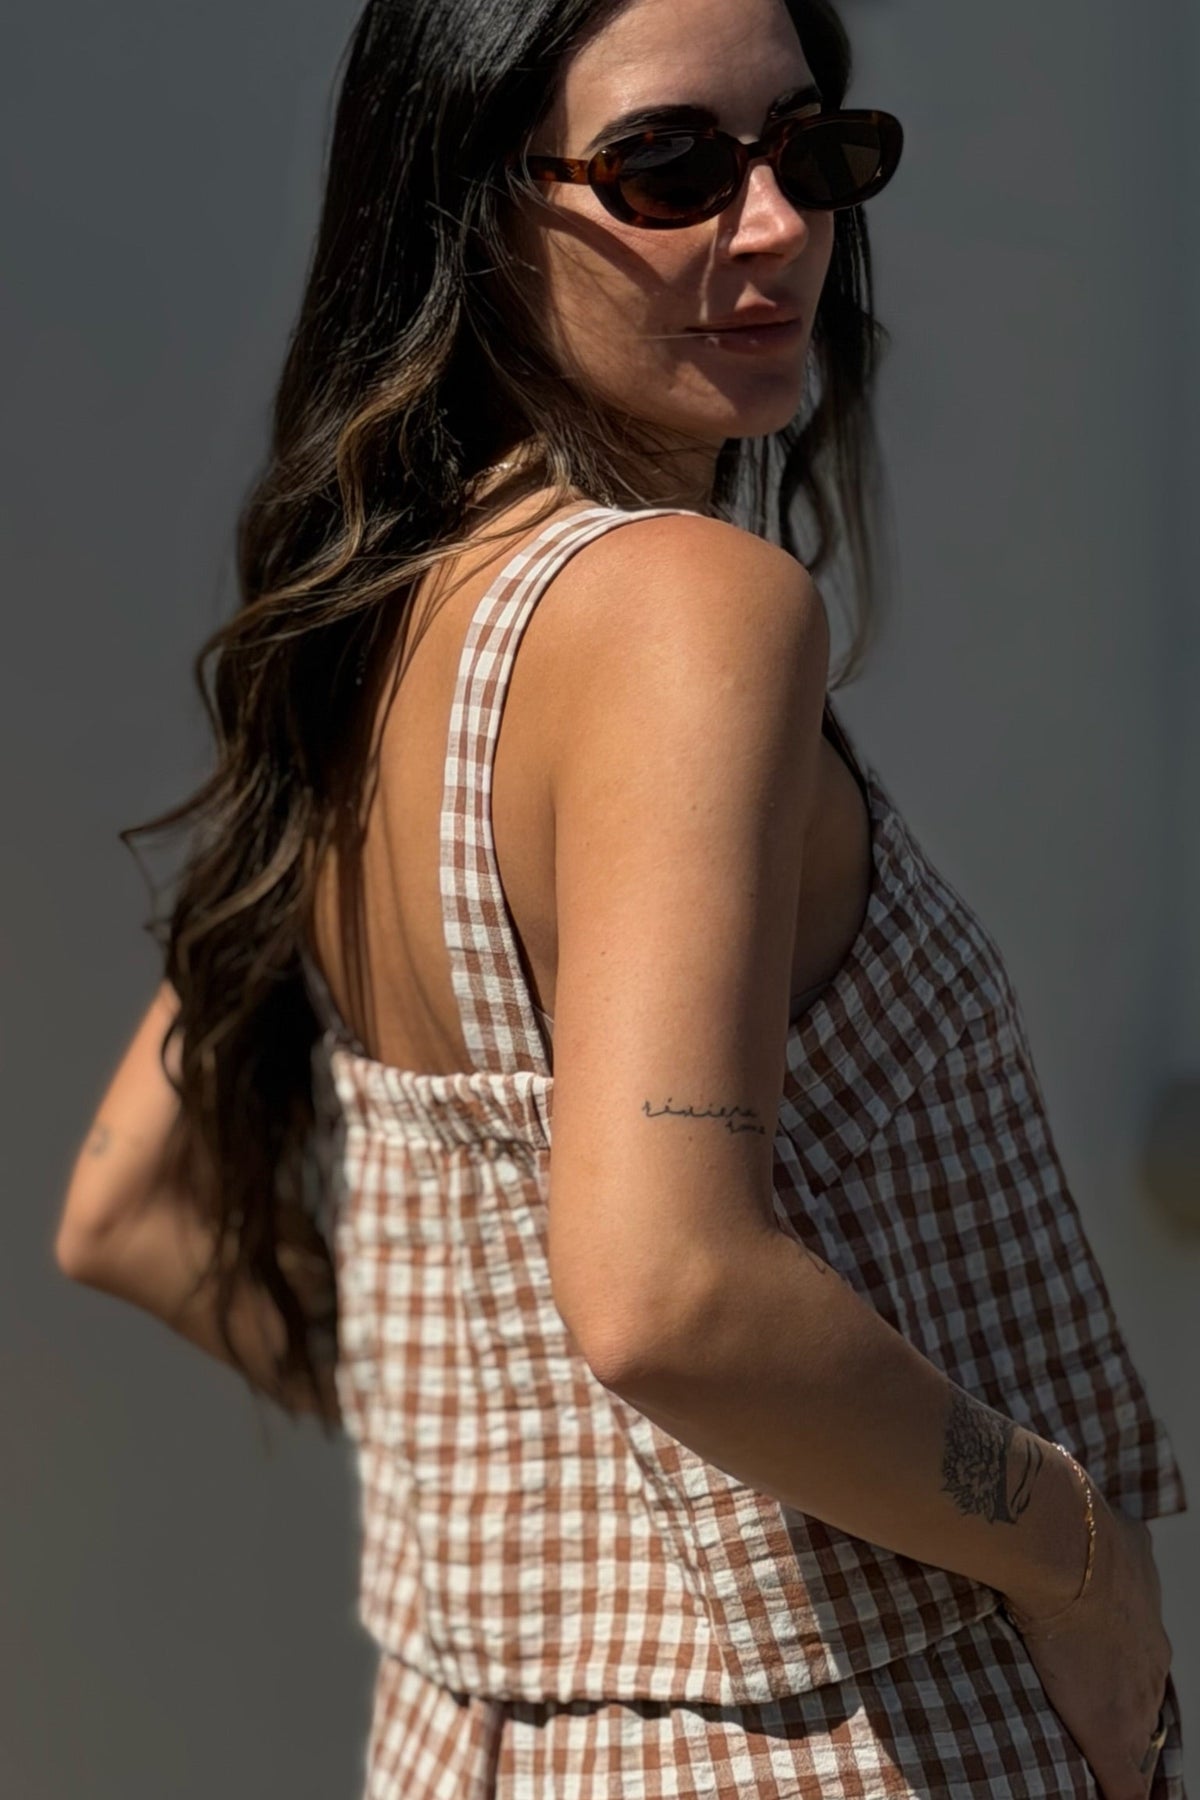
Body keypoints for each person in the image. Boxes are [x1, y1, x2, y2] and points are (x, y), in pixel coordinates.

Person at [54, 0, 1187, 1794]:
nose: (776, 226)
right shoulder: (688, 615)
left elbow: (128, 1198)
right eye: (666, 168)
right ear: (470, 208)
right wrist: (1072, 1553)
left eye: (814, 153)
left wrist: (537, 1509)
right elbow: (663, 1290)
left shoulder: (359, 647)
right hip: (828, 1740)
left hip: (470, 1745)